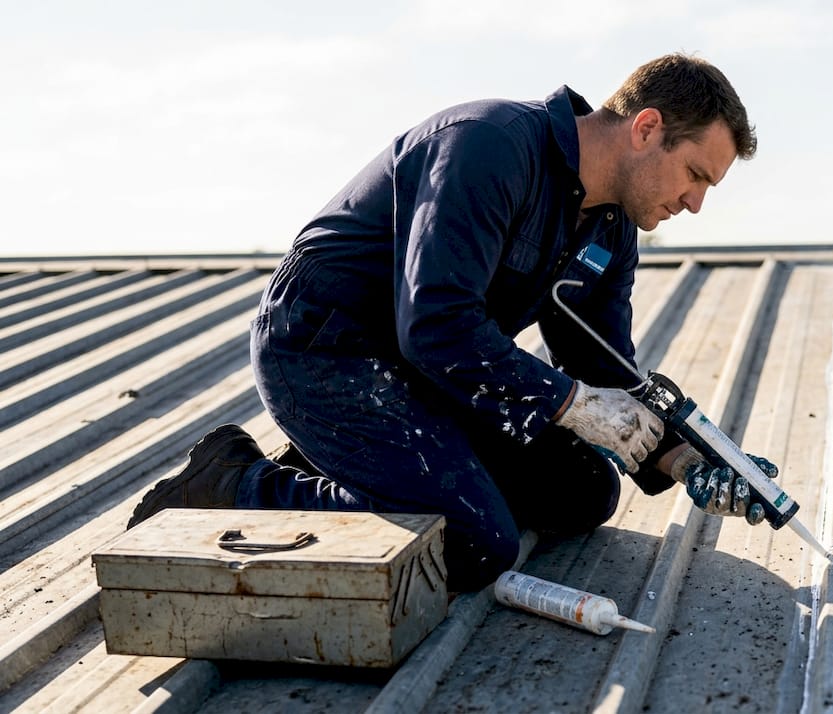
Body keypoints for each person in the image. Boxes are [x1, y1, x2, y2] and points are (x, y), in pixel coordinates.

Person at [128, 53, 777, 591]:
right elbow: (437, 324)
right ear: (646, 127)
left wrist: (690, 459)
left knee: (584, 493)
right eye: (695, 175)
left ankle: (388, 463)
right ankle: (234, 480)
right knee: (475, 543)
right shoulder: (490, 145)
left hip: (430, 373)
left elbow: (602, 362)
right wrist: (570, 403)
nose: (694, 204)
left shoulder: (611, 225)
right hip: (325, 352)